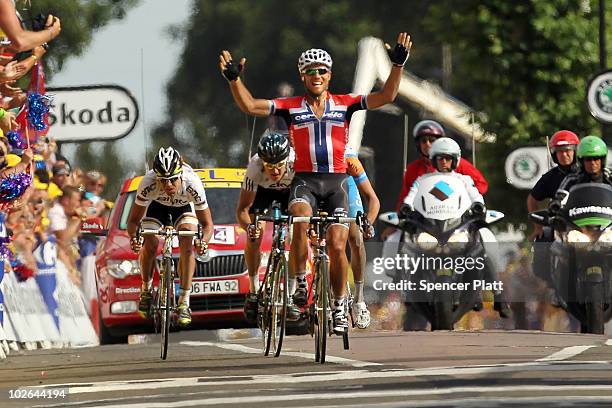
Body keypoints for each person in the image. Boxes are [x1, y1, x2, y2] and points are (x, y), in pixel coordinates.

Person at [220, 32, 412, 333]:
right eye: (310, 71)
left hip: (336, 182)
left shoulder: (345, 103)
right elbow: (251, 107)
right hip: (305, 181)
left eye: (322, 70)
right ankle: (298, 283)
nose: (316, 75)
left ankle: (339, 304)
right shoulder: (290, 106)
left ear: (330, 74)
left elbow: (386, 97)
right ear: (302, 76)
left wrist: (398, 65)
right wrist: (234, 81)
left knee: (338, 245)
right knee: (299, 218)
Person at [402, 137, 512, 318]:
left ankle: (498, 296)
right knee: (409, 250)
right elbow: (412, 194)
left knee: (483, 248)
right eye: (439, 158)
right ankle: (406, 291)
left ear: (455, 160)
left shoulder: (463, 179)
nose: (444, 162)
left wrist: (478, 205)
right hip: (432, 227)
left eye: (447, 158)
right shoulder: (423, 180)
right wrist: (406, 206)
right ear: (433, 160)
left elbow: (475, 194)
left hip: (459, 227)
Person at [127, 147, 213, 327]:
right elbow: (134, 220)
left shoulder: (192, 183)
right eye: (163, 181)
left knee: (187, 241)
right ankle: (146, 290)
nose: (168, 185)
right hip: (157, 208)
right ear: (156, 177)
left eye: (173, 180)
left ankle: (184, 301)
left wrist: (203, 242)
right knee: (149, 242)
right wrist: (135, 239)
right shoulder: (148, 182)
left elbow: (207, 225)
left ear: (181, 174)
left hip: (183, 209)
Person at [382, 120, 488, 240]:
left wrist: (468, 200)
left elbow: (481, 186)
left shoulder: (460, 165)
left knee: (485, 236)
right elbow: (406, 196)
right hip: (423, 223)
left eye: (432, 140)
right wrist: (399, 218)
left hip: (457, 221)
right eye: (423, 141)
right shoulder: (414, 170)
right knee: (393, 240)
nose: (427, 144)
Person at [236, 130, 294, 323]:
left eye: (279, 165)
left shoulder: (296, 163)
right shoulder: (254, 167)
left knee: (297, 233)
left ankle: (292, 296)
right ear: (262, 163)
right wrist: (249, 227)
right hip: (263, 194)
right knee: (255, 235)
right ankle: (253, 291)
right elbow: (243, 210)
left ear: (287, 161)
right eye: (270, 166)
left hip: (290, 192)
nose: (275, 171)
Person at [527, 130, 579, 298]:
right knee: (542, 244)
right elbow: (532, 199)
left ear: (576, 151)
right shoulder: (550, 177)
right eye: (560, 152)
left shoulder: (586, 173)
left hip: (588, 222)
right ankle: (555, 287)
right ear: (554, 155)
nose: (564, 155)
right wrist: (537, 227)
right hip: (561, 224)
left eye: (568, 150)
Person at [345, 145, 379, 328]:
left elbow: (373, 199)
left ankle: (359, 299)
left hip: (345, 188)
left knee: (355, 236)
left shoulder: (348, 158)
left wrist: (368, 223)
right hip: (319, 184)